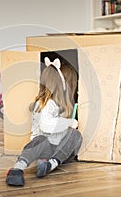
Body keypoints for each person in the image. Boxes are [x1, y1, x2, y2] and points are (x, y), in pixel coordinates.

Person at [6, 57, 83, 186]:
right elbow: (46, 126)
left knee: (75, 136)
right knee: (39, 141)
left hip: (57, 148)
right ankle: (18, 168)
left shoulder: (61, 104)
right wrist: (69, 123)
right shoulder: (47, 104)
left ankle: (50, 163)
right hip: (44, 144)